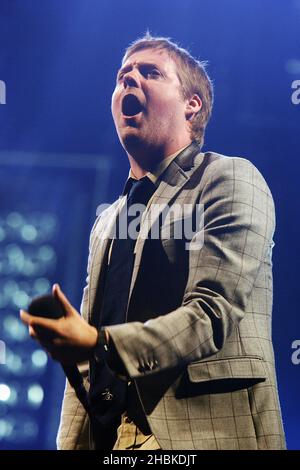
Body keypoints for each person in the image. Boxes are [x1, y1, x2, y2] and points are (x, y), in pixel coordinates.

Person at [20, 34, 286, 450]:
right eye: (123, 75)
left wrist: (100, 342)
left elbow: (211, 313)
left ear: (191, 105)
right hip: (108, 439)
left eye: (150, 72)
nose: (130, 80)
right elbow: (90, 362)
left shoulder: (228, 178)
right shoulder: (108, 219)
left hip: (203, 436)